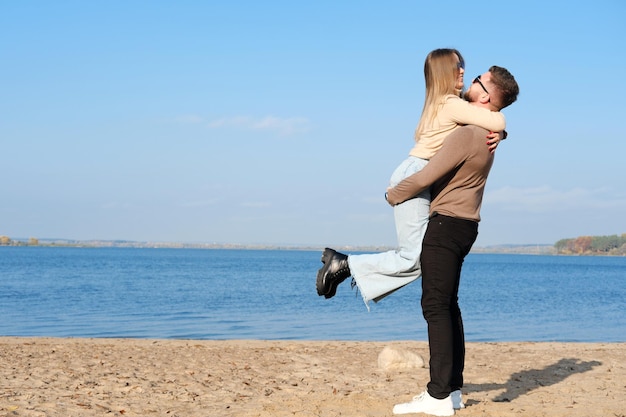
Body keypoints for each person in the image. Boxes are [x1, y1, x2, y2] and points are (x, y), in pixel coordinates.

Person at [316, 49, 506, 305]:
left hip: (419, 173)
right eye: (456, 65)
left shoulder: (447, 102)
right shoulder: (451, 105)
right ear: (442, 73)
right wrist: (501, 130)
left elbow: (486, 122)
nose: (463, 69)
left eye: (463, 64)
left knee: (419, 259)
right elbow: (497, 118)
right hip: (417, 174)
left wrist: (501, 134)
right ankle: (344, 264)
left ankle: (345, 265)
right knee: (414, 257)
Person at [388, 66, 520, 416]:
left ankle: (437, 395)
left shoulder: (470, 133)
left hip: (447, 224)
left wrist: (393, 194)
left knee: (435, 306)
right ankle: (453, 390)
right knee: (448, 305)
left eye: (478, 80)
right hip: (465, 225)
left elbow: (427, 175)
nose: (471, 82)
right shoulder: (487, 134)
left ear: (487, 96)